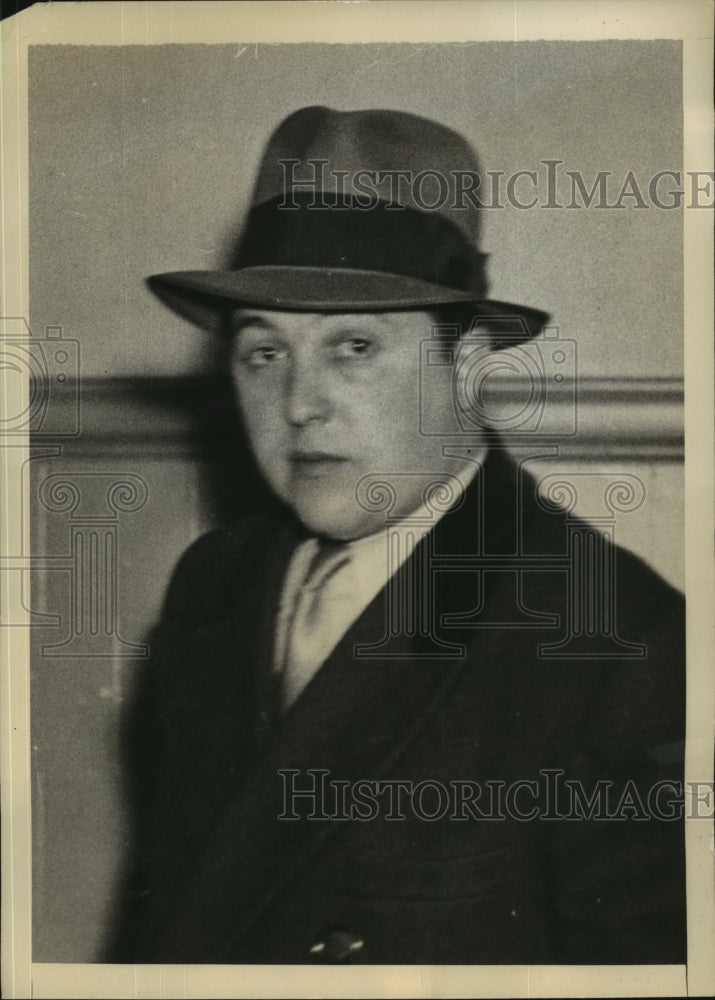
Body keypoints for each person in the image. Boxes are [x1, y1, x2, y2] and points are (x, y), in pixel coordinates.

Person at [121, 107, 685, 964]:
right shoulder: (213, 584)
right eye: (263, 352)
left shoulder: (617, 646)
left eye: (352, 346)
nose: (299, 403)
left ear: (463, 364)